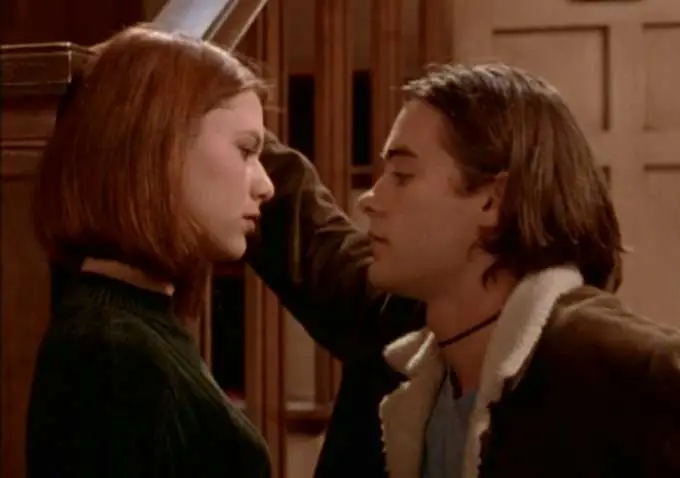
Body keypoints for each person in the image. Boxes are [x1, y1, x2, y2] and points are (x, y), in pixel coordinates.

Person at [248, 63, 680, 477]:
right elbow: (301, 221)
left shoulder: (629, 374)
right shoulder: (399, 333)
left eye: (402, 174)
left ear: (493, 201)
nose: (370, 199)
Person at [27, 26, 275, 478]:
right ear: (159, 148)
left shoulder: (139, 325)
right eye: (246, 150)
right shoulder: (111, 351)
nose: (266, 185)